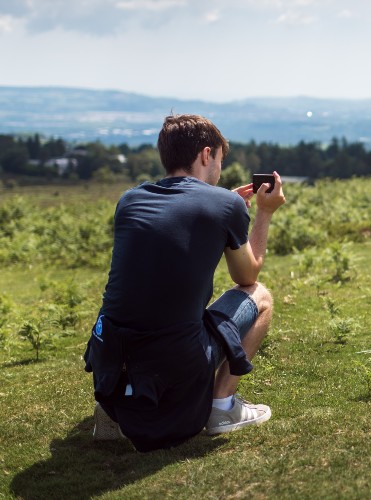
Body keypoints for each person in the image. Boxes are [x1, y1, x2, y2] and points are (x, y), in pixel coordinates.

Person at [83, 114, 286, 451]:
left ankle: (113, 410)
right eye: (220, 159)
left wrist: (225, 205)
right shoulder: (225, 204)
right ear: (207, 155)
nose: (219, 168)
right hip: (174, 361)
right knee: (259, 295)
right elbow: (247, 276)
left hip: (111, 355)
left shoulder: (130, 201)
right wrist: (262, 213)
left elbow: (180, 218)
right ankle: (222, 408)